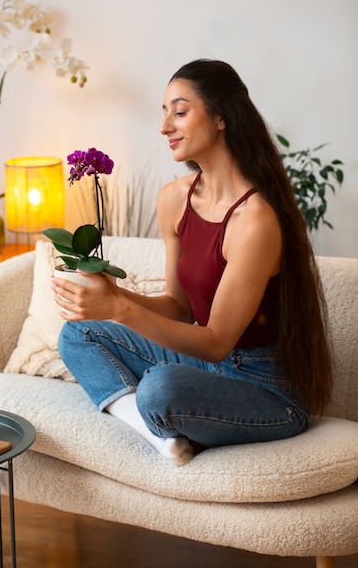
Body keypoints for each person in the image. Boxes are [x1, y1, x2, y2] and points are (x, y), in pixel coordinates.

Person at [53, 59, 332, 466]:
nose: (165, 126)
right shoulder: (175, 198)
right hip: (206, 365)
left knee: (160, 388)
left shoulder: (255, 220)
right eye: (164, 113)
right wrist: (112, 297)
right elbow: (179, 308)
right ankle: (161, 439)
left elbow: (217, 341)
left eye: (180, 112)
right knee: (80, 334)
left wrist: (121, 309)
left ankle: (161, 421)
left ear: (221, 117)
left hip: (266, 388)